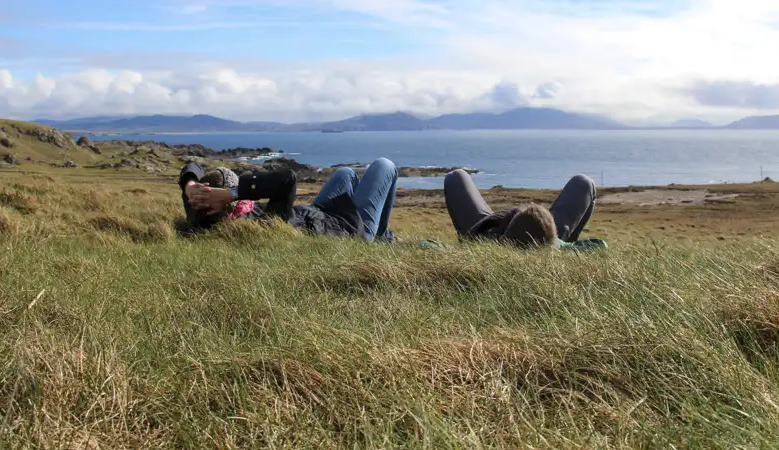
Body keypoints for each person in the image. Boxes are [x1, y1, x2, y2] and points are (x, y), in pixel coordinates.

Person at [179, 158, 399, 242]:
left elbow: (190, 167)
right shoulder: (266, 223)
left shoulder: (199, 211)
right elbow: (286, 178)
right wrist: (233, 193)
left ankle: (380, 232)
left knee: (346, 173)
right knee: (384, 166)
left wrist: (190, 185)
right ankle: (379, 237)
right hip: (350, 229)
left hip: (317, 215)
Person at [444, 169, 596, 248]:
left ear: (503, 238)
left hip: (482, 231)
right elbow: (598, 245)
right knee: (583, 183)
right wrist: (566, 246)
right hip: (549, 241)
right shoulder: (557, 246)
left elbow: (427, 245)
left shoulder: (482, 239)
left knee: (456, 176)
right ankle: (566, 237)